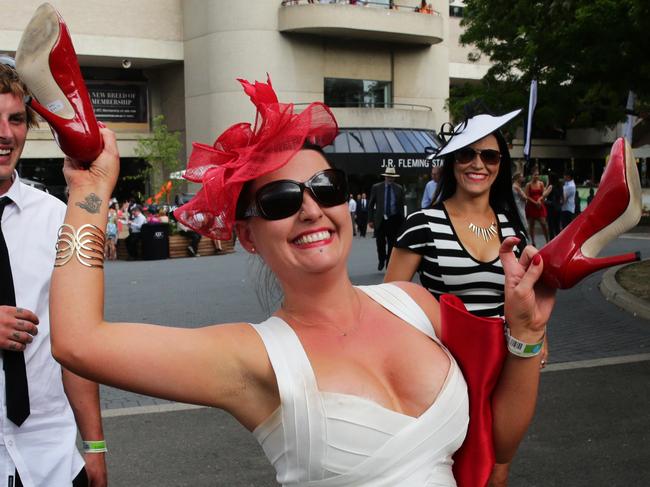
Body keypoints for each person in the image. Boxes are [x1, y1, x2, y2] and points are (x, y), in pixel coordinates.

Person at [49, 78, 554, 486]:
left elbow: (498, 442)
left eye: (325, 188)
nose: (311, 209)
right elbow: (78, 342)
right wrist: (90, 195)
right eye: (281, 200)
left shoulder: (415, 303)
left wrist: (526, 334)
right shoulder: (252, 358)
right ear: (248, 236)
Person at [385, 109, 538, 486]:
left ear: (500, 165)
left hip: (505, 368)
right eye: (466, 154)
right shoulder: (423, 224)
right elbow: (388, 305)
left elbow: (521, 295)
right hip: (444, 375)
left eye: (490, 156)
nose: (477, 164)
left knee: (496, 471)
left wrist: (539, 338)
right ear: (451, 162)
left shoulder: (510, 226)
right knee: (447, 470)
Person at [0, 59, 106, 487]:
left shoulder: (58, 219)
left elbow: (75, 345)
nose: (5, 135)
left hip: (53, 460)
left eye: (16, 119)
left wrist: (95, 447)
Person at [368, 167, 405, 270]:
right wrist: (370, 219)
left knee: (392, 243)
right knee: (380, 242)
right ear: (385, 177)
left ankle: (389, 263)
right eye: (389, 176)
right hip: (380, 219)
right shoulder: (376, 187)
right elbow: (371, 204)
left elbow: (401, 206)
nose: (390, 178)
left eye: (392, 177)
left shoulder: (399, 188)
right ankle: (381, 259)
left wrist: (403, 221)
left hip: (394, 219)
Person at [525, 167, 549, 247]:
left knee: (543, 223)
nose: (536, 176)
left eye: (537, 175)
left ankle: (547, 240)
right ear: (532, 175)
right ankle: (533, 241)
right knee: (531, 225)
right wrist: (535, 202)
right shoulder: (528, 185)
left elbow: (543, 194)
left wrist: (540, 201)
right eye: (535, 175)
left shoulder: (541, 184)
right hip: (531, 206)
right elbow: (527, 196)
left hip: (540, 206)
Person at [544, 172, 563, 240]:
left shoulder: (551, 186)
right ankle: (559, 240)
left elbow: (544, 194)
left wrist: (546, 185)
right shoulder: (560, 186)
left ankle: (552, 241)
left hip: (551, 208)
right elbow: (562, 197)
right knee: (557, 226)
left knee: (551, 227)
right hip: (558, 208)